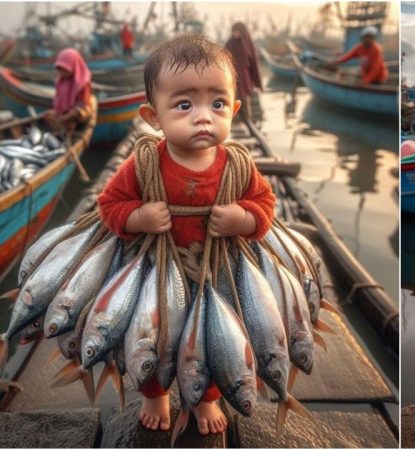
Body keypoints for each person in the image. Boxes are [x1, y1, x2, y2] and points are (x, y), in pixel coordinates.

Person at [97, 34, 276, 435]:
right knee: (153, 338)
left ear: (234, 109)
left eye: (217, 104)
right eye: (184, 105)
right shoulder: (143, 164)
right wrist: (138, 217)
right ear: (152, 116)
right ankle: (154, 392)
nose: (203, 116)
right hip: (156, 274)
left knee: (215, 338)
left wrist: (243, 220)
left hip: (216, 273)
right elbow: (109, 206)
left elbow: (265, 206)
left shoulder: (239, 166)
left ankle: (206, 397)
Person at [43, 48, 94, 133]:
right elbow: (59, 101)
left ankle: (68, 130)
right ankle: (59, 130)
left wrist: (65, 117)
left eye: (64, 69)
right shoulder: (61, 81)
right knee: (47, 116)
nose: (61, 72)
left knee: (72, 120)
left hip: (76, 115)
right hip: (64, 113)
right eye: (59, 69)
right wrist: (56, 113)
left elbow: (83, 106)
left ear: (73, 66)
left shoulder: (83, 83)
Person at [225, 22, 262, 121]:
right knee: (234, 99)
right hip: (233, 78)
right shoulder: (229, 44)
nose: (235, 33)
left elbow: (254, 64)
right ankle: (236, 120)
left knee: (245, 101)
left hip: (246, 79)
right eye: (234, 31)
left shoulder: (247, 44)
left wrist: (258, 83)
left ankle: (247, 120)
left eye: (237, 31)